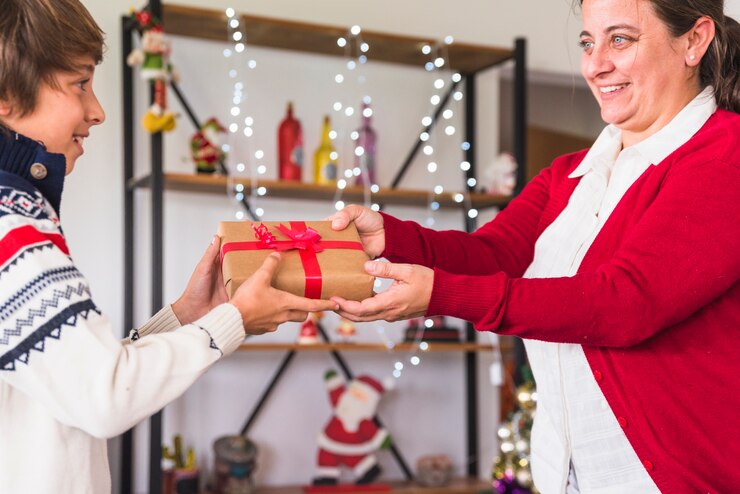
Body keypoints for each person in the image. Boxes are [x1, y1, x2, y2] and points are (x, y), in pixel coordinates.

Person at [330, 0, 740, 492]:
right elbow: (495, 256)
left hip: (671, 478)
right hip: (564, 472)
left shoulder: (725, 156)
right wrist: (392, 237)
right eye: (588, 42)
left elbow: (625, 302)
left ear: (695, 40)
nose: (595, 64)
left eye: (621, 40)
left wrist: (438, 294)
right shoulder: (569, 174)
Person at [0, 1, 336, 492]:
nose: (98, 111)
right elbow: (105, 398)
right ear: (7, 94)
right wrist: (233, 322)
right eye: (79, 83)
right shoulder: (13, 226)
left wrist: (186, 316)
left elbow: (76, 378)